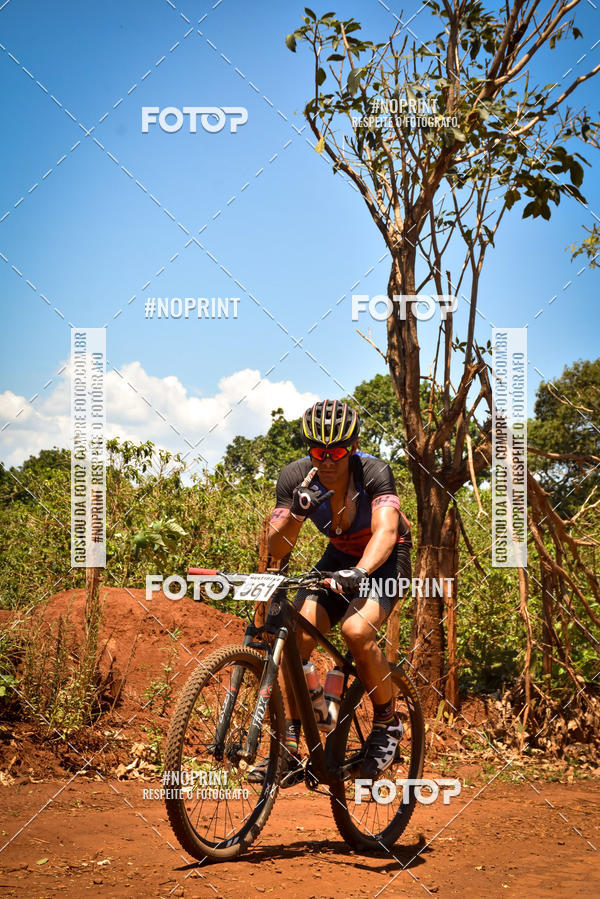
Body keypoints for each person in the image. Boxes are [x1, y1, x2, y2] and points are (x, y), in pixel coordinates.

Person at [249, 399, 412, 787]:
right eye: (318, 451)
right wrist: (298, 514)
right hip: (338, 556)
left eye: (337, 451)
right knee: (296, 639)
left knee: (356, 631)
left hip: (385, 558)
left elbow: (386, 531)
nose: (327, 459)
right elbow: (275, 547)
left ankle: (388, 724)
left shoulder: (373, 472)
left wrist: (359, 572)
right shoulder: (296, 478)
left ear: (352, 447)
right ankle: (291, 745)